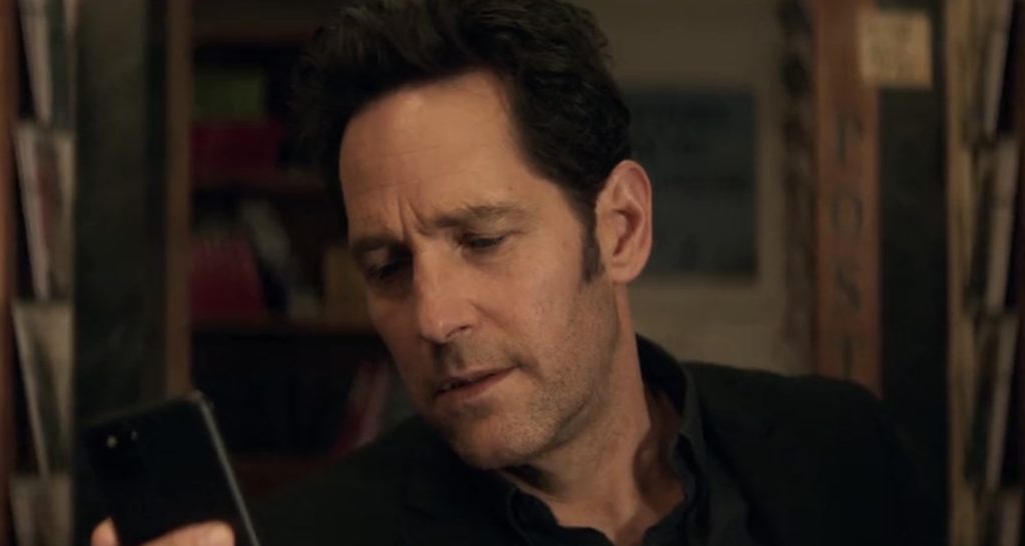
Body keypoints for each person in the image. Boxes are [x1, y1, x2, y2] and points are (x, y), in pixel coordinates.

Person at [93, 0, 930, 544]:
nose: (434, 317)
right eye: (387, 265)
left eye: (483, 239)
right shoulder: (314, 537)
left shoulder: (841, 451)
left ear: (621, 228)